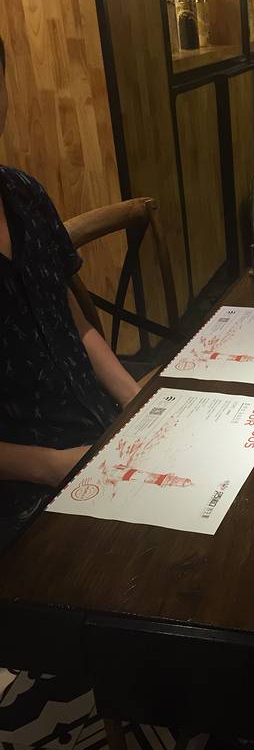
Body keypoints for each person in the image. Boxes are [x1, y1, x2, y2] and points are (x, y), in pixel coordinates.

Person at [0, 34, 140, 545]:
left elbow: (70, 320)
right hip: (25, 488)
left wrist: (135, 398)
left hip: (96, 430)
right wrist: (53, 466)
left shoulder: (23, 192)